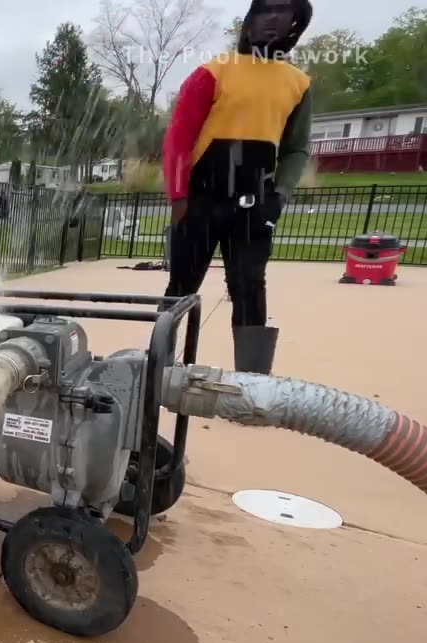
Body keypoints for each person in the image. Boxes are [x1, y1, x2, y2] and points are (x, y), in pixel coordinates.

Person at [161, 0, 313, 374]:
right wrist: (179, 197)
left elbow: (295, 149)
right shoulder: (213, 72)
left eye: (284, 12)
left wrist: (279, 196)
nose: (273, 19)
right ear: (249, 20)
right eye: (265, 10)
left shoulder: (297, 84)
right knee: (182, 284)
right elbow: (178, 138)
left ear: (296, 23)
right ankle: (158, 366)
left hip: (254, 203)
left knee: (249, 286)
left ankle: (253, 380)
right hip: (200, 199)